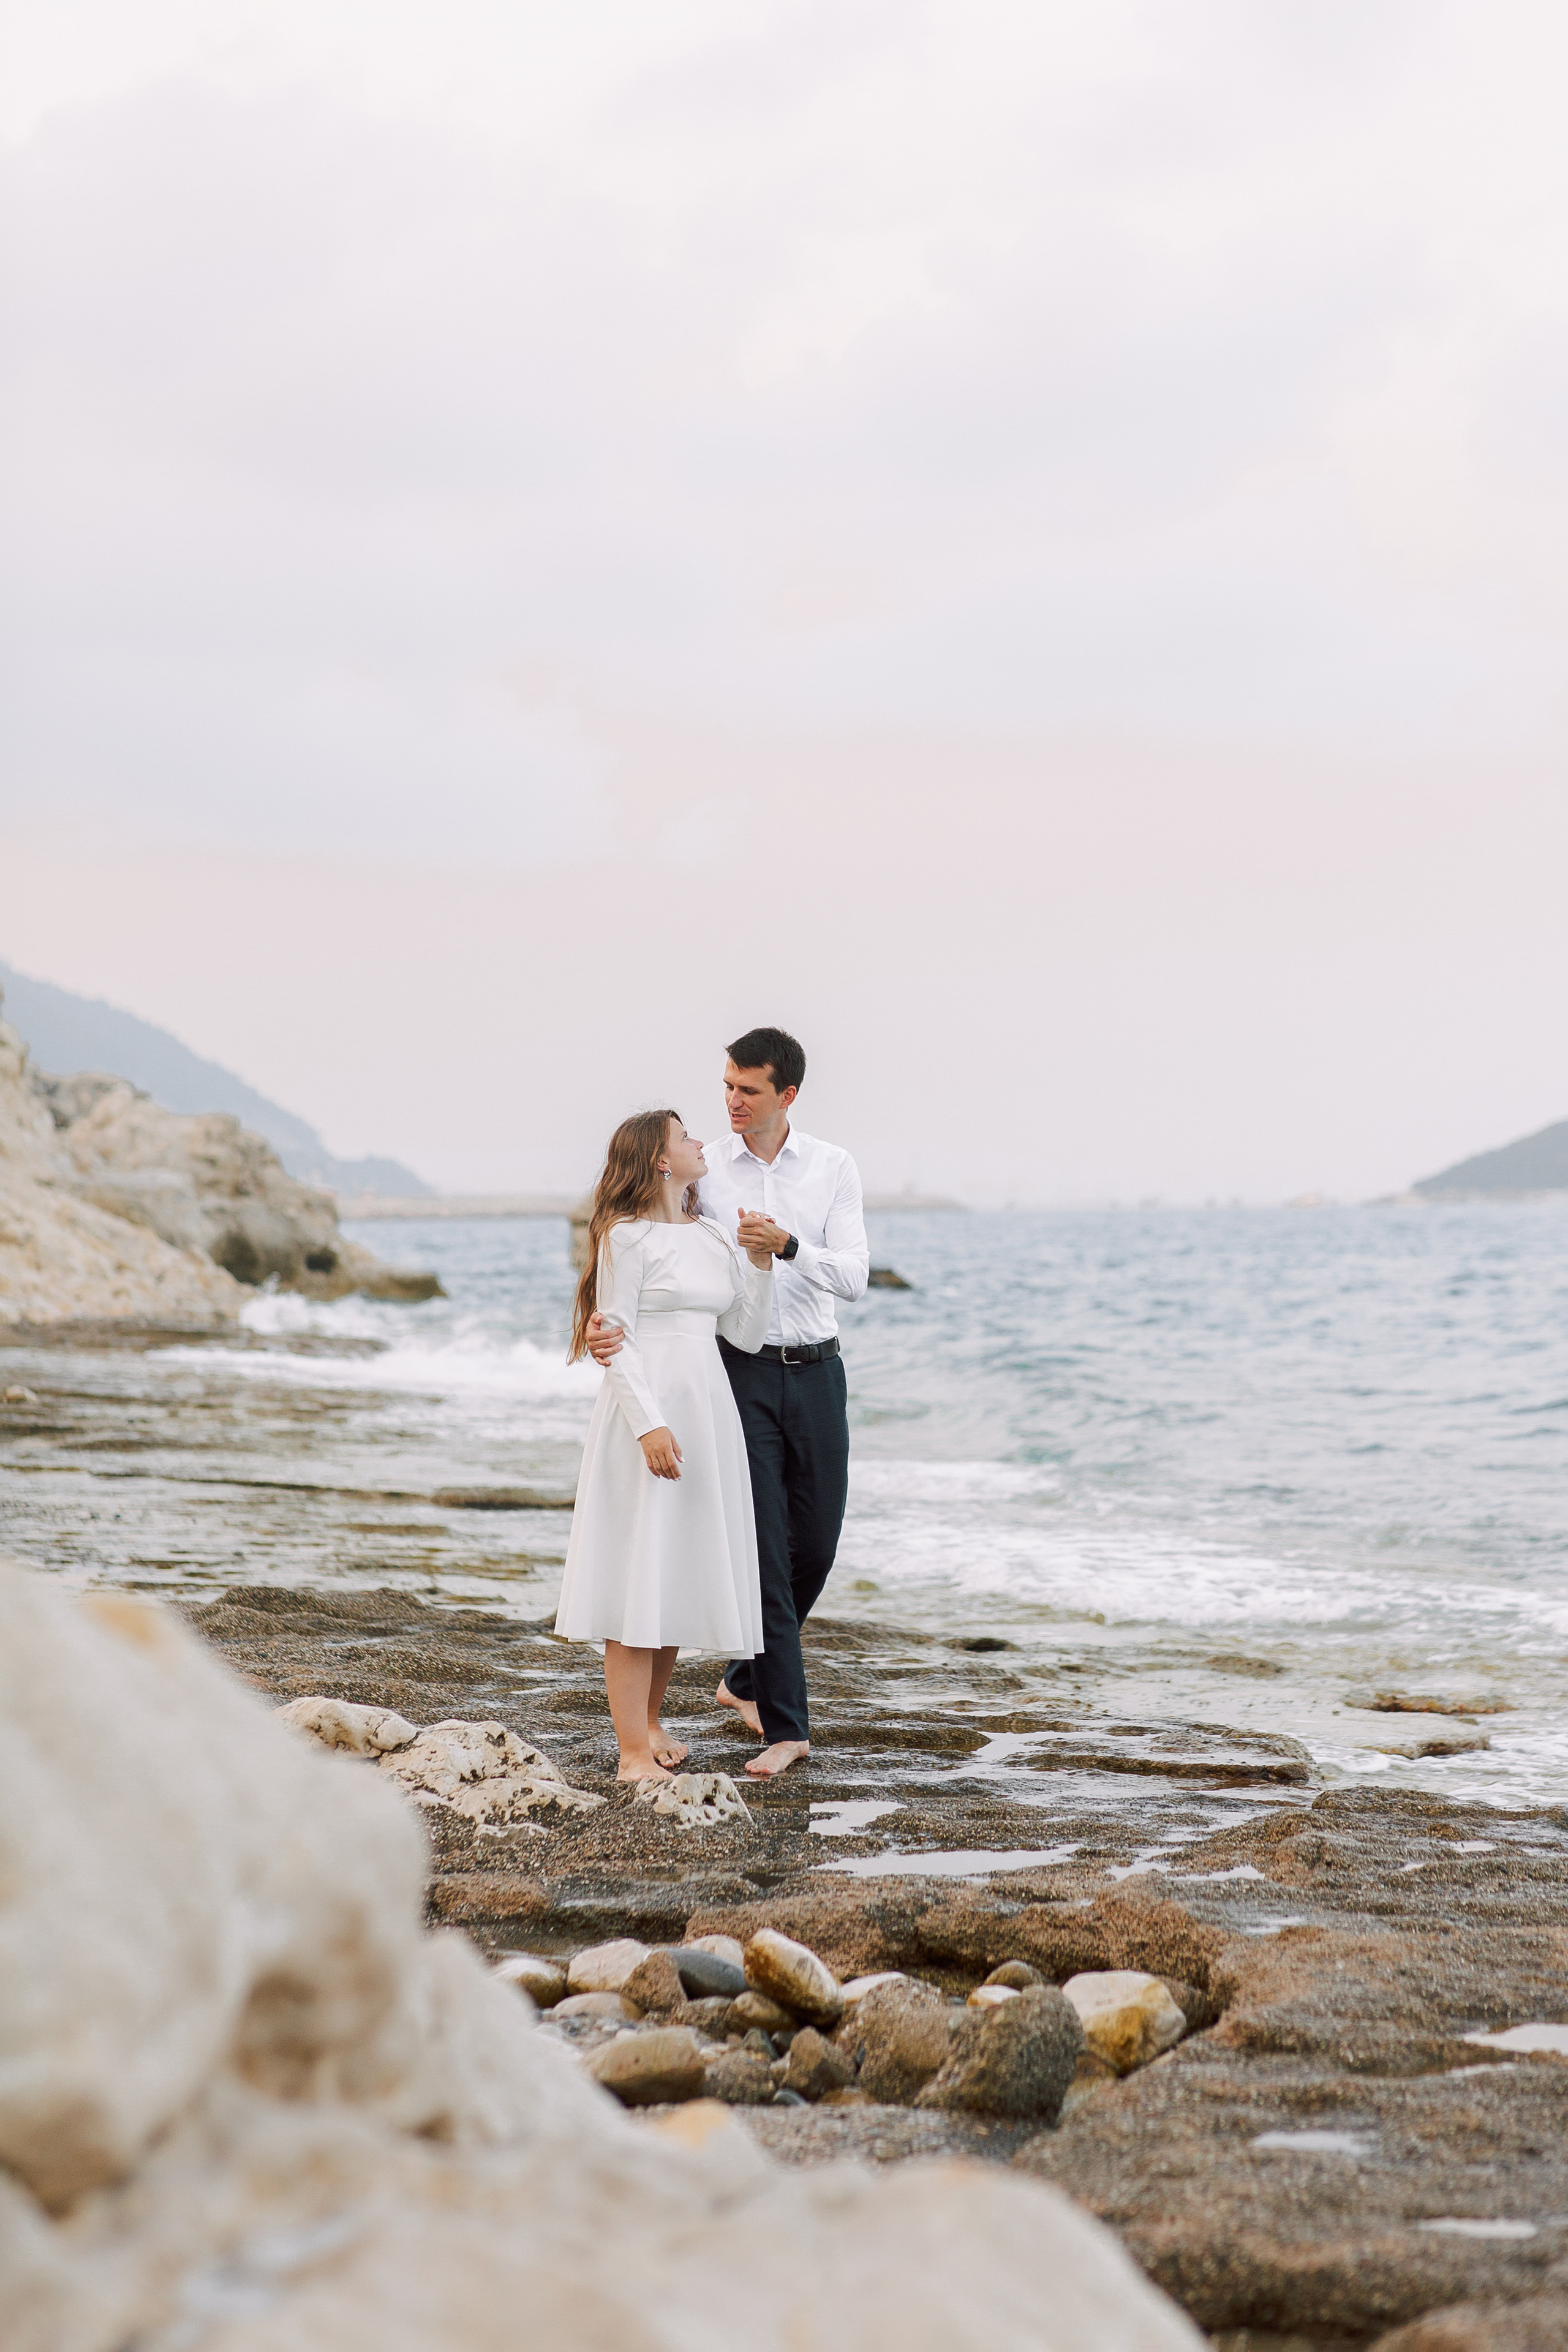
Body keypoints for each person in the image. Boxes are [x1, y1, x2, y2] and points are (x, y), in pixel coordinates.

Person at [587, 1028, 868, 1777]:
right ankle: (785, 1726)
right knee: (757, 1555)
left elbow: (854, 1276)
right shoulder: (707, 1178)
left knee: (814, 1546)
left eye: (747, 1090)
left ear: (787, 1094)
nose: (730, 1103)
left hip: (814, 1370)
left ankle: (741, 1680)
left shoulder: (832, 1168)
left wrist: (780, 1252)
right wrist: (608, 1335)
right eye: (726, 1087)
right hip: (730, 1381)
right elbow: (638, 1252)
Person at [555, 1107, 775, 1781]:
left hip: (707, 1412)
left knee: (672, 1571)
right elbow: (613, 1338)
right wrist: (648, 1423)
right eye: (684, 1137)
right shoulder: (626, 1236)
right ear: (657, 1158)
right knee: (634, 1578)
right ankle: (629, 1754)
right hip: (646, 1415)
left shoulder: (712, 1234)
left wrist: (760, 1264)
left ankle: (650, 1722)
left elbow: (746, 1334)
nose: (698, 1143)